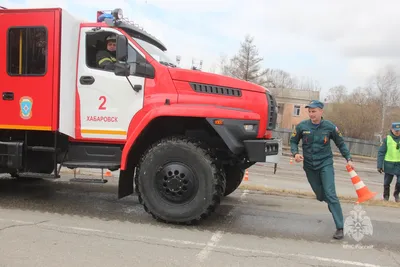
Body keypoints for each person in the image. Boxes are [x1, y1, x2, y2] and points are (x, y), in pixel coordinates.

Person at [290, 100, 354, 240]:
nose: (311, 114)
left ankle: (340, 227)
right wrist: (295, 153)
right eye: (310, 111)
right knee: (320, 195)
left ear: (321, 111)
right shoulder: (302, 126)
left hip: (325, 163)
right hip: (309, 165)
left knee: (331, 194)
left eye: (314, 111)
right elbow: (293, 141)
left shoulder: (330, 127)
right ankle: (331, 203)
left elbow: (340, 143)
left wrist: (348, 158)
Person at [377, 122, 400, 202]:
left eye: (399, 130)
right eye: (395, 130)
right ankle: (386, 196)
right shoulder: (387, 139)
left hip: (399, 164)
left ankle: (396, 195)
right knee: (387, 182)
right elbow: (381, 152)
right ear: (392, 130)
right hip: (389, 164)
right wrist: (379, 165)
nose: (397, 132)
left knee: (399, 182)